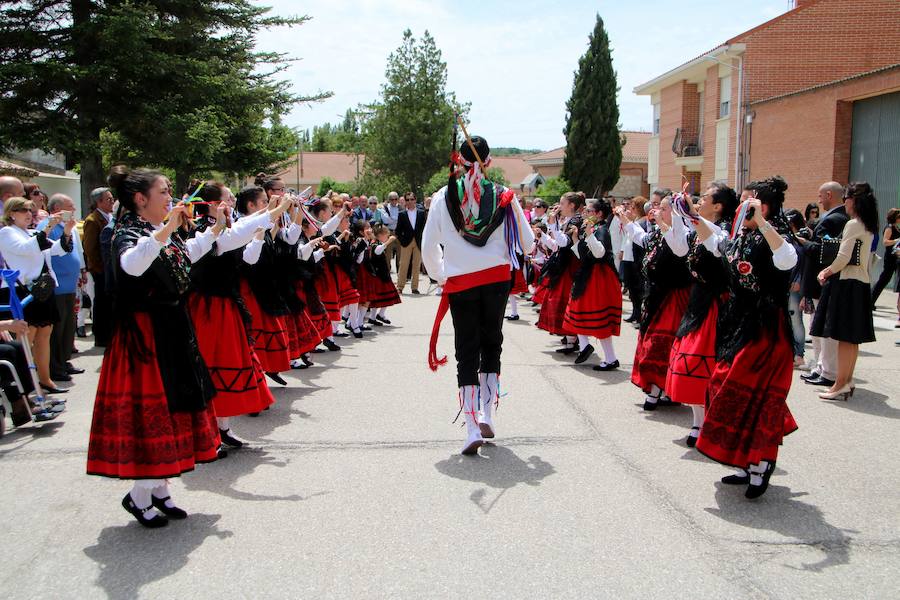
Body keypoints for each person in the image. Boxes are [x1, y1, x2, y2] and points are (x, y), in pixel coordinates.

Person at [87, 166, 221, 528]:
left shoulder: (158, 231)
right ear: (140, 199)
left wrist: (216, 230)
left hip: (171, 328)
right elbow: (132, 265)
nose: (170, 198)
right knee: (154, 416)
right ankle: (140, 494)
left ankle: (159, 488)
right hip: (145, 337)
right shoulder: (126, 232)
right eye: (163, 192)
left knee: (176, 408)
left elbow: (186, 254)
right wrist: (166, 230)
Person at [422, 135, 534, 455]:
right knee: (491, 344)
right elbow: (527, 244)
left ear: (459, 162)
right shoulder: (504, 196)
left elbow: (429, 248)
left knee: (466, 349)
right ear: (488, 162)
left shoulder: (443, 197)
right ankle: (487, 414)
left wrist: (443, 274)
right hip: (496, 280)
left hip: (461, 282)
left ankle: (472, 425)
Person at [695, 176, 798, 499]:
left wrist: (763, 224)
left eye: (746, 202)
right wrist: (690, 216)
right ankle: (744, 461)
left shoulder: (775, 234)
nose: (740, 207)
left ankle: (760, 464)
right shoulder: (740, 235)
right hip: (738, 323)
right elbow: (715, 244)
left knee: (753, 395)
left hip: (766, 330)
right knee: (721, 386)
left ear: (762, 207)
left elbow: (788, 260)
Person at [665, 182, 738, 446]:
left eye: (704, 198)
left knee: (702, 363)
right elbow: (679, 248)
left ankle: (709, 422)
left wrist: (691, 216)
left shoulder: (724, 231)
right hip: (697, 301)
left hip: (715, 305)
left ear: (717, 206)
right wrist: (677, 214)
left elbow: (717, 243)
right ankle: (698, 422)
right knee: (688, 363)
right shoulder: (699, 229)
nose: (699, 200)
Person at [618, 195, 691, 410]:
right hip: (656, 295)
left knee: (661, 343)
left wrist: (662, 223)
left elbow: (679, 249)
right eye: (659, 207)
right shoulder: (658, 232)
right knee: (650, 340)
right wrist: (625, 220)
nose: (658, 210)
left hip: (673, 297)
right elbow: (642, 238)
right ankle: (661, 389)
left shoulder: (684, 234)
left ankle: (659, 389)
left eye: (664, 208)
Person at [0, 197, 77, 394]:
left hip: (41, 289)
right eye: (22, 210)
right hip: (21, 290)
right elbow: (26, 249)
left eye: (30, 210)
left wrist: (67, 230)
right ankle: (27, 387)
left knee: (44, 334)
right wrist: (48, 227)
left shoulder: (32, 232)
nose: (28, 214)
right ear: (11, 214)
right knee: (26, 338)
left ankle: (45, 380)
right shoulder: (7, 232)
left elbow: (56, 249)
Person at [811, 182, 879, 401]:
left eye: (846, 199)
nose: (844, 204)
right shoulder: (868, 225)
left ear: (853, 201)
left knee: (843, 337)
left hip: (847, 284)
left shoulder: (853, 224)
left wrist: (825, 272)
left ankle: (839, 384)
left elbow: (843, 257)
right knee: (852, 339)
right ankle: (846, 381)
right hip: (861, 284)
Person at [562, 198, 622, 369]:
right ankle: (585, 346)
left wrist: (588, 234)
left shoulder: (602, 230)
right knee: (577, 310)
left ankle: (610, 358)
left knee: (597, 318)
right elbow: (582, 254)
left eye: (589, 211)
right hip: (588, 276)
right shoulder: (593, 229)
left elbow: (599, 253)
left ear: (599, 214)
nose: (585, 213)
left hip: (599, 278)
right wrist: (576, 238)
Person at [800, 181, 849, 387]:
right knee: (818, 329)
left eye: (821, 196)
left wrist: (805, 243)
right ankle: (822, 368)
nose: (819, 201)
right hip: (822, 281)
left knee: (824, 331)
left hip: (823, 281)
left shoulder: (835, 219)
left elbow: (824, 252)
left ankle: (827, 371)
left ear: (829, 195)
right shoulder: (838, 218)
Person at [536, 191, 586, 351]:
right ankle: (570, 338)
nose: (560, 206)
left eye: (563, 203)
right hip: (565, 265)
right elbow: (557, 245)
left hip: (570, 266)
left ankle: (573, 340)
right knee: (560, 301)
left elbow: (564, 243)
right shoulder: (570, 220)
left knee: (565, 301)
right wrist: (544, 235)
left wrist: (552, 225)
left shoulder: (577, 220)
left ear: (572, 205)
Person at [44, 194, 85, 383]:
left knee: (69, 327)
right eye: (70, 207)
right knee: (57, 330)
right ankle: (55, 366)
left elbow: (77, 251)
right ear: (56, 209)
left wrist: (81, 269)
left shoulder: (70, 227)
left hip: (70, 285)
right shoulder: (48, 227)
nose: (74, 210)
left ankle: (64, 361)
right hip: (57, 287)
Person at [82, 187, 115, 346]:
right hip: (101, 270)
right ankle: (101, 337)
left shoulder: (109, 217)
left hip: (109, 269)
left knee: (108, 302)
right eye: (108, 199)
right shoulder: (92, 220)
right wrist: (100, 268)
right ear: (98, 202)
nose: (112, 201)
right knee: (102, 302)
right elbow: (90, 248)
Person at [395, 192, 426, 294]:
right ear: (405, 201)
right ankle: (400, 287)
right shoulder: (402, 214)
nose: (410, 201)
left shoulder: (422, 213)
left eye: (412, 199)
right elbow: (398, 231)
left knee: (416, 265)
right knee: (403, 264)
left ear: (415, 200)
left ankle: (414, 287)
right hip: (406, 242)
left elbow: (425, 228)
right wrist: (402, 241)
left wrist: (423, 240)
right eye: (407, 200)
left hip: (418, 242)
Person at [871, 207, 898, 308]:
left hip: (896, 257)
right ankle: (870, 300)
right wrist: (897, 240)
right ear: (894, 217)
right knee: (884, 280)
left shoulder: (896, 227)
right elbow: (885, 242)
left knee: (885, 279)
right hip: (890, 258)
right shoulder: (889, 228)